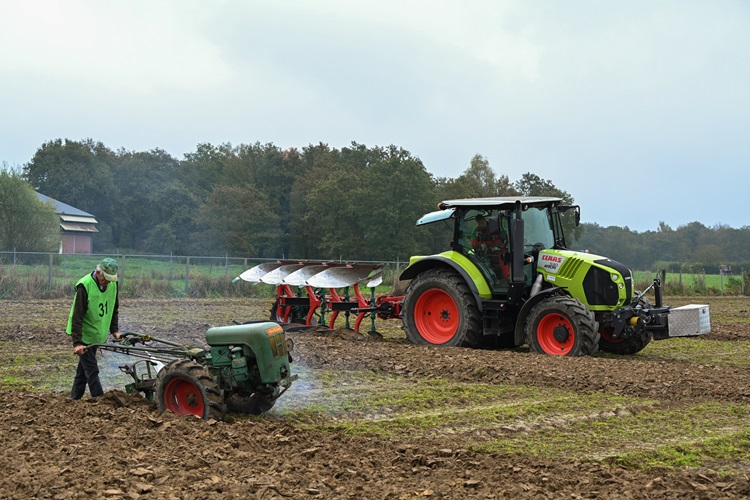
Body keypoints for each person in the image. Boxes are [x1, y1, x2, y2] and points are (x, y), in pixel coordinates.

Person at [66, 257, 121, 400]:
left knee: (82, 373)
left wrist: (114, 330)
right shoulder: (85, 286)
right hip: (84, 335)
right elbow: (77, 317)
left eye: (110, 279)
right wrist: (77, 343)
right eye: (105, 279)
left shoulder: (113, 285)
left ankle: (74, 399)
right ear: (98, 272)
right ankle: (100, 399)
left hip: (97, 333)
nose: (108, 282)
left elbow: (113, 307)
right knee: (92, 370)